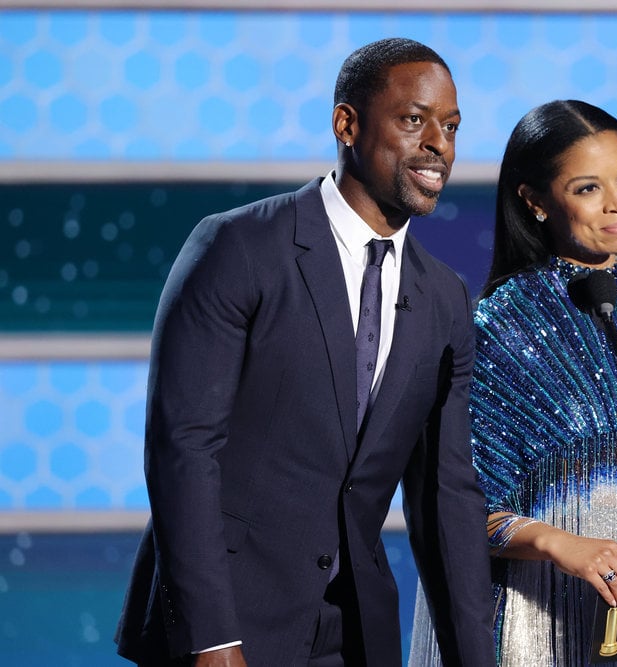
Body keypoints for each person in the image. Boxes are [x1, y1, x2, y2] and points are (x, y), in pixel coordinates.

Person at [115, 38, 495, 667]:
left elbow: (446, 497)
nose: (439, 145)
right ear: (346, 124)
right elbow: (182, 449)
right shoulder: (236, 247)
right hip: (226, 626)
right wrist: (212, 639)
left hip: (354, 632)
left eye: (450, 127)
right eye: (413, 120)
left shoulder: (446, 299)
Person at [411, 100, 617, 666]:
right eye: (587, 188)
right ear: (533, 201)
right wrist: (561, 545)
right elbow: (459, 511)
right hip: (541, 624)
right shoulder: (498, 329)